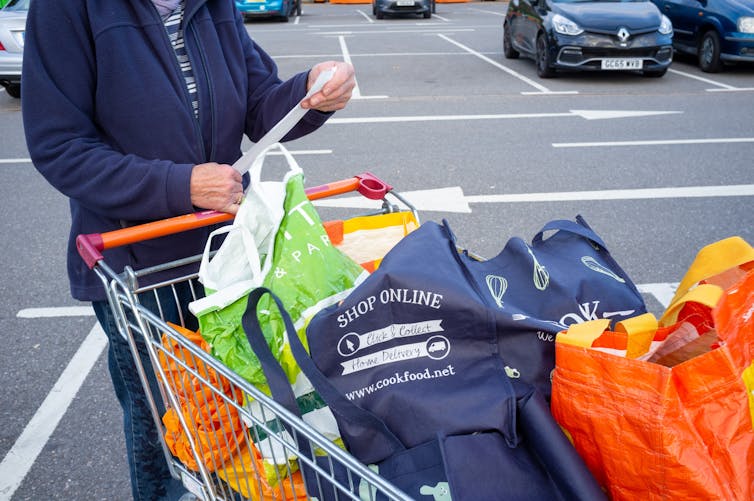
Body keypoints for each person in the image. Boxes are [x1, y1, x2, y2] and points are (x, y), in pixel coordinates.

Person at [21, 1, 356, 499]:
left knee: (233, 424)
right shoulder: (68, 9)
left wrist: (312, 90)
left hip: (224, 258)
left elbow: (259, 103)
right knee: (170, 431)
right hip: (139, 267)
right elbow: (60, 145)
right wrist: (180, 186)